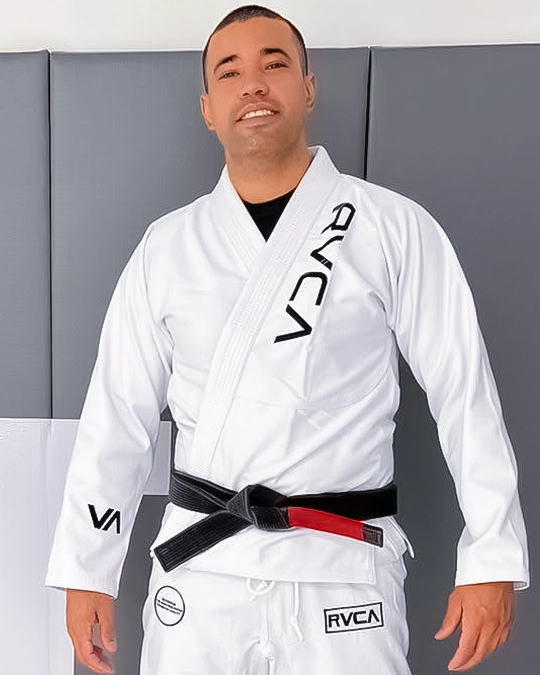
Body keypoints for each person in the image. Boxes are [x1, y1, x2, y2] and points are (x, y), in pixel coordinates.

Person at [46, 5, 529, 675]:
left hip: (344, 567)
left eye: (274, 64)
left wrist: (492, 554)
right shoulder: (168, 247)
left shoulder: (391, 227)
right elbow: (116, 416)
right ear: (208, 109)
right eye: (229, 72)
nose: (253, 83)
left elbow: (464, 391)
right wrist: (88, 567)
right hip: (202, 570)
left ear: (307, 87)